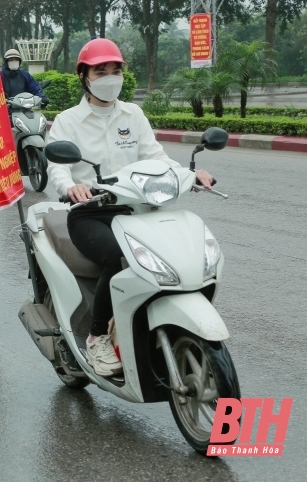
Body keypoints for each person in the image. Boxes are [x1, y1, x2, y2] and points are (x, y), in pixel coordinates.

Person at [46, 38, 215, 377]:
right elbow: (57, 167)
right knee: (119, 257)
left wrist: (189, 174)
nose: (110, 76)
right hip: (90, 211)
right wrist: (71, 186)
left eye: (116, 70)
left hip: (136, 209)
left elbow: (155, 157)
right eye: (101, 70)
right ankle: (97, 336)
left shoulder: (132, 114)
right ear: (85, 76)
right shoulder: (68, 120)